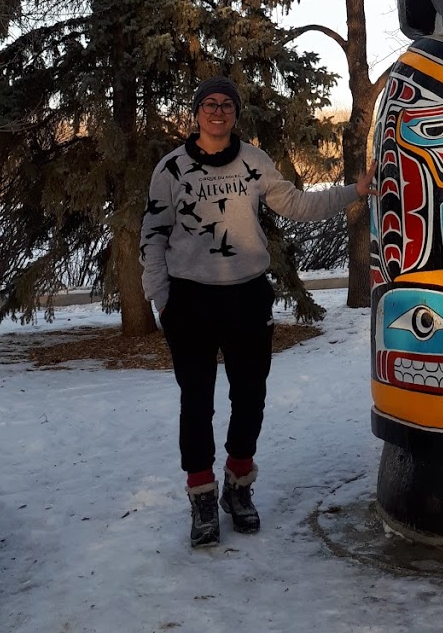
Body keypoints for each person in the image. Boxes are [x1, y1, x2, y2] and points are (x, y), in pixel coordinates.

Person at [140, 76, 372, 548]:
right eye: (209, 104)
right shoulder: (170, 168)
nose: (218, 112)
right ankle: (202, 496)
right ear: (196, 111)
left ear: (236, 113)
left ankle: (238, 488)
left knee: (250, 398)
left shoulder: (254, 161)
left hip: (247, 297)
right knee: (196, 403)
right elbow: (154, 234)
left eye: (226, 104)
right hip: (190, 300)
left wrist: (355, 190)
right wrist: (160, 299)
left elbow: (299, 205)